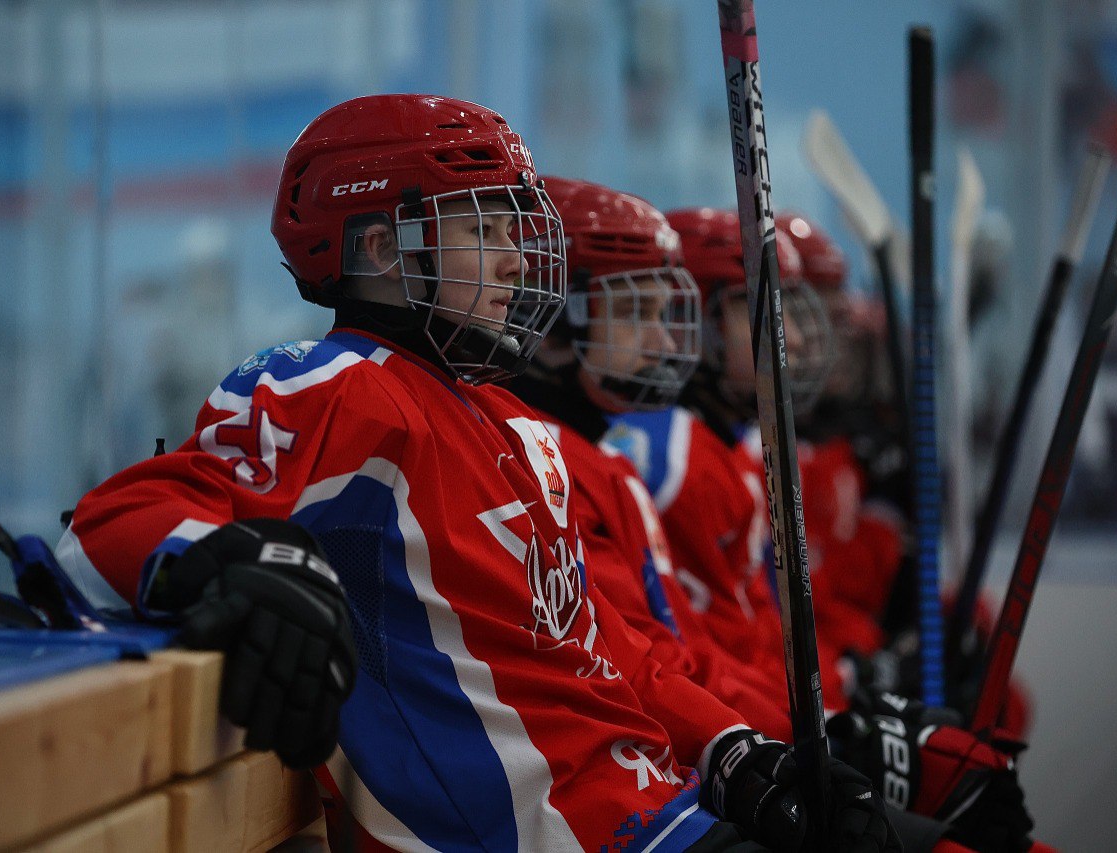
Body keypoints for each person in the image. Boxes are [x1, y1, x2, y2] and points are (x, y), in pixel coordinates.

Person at [57, 93, 776, 852]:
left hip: (659, 810)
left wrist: (731, 744)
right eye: (479, 228)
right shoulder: (340, 388)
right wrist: (229, 560)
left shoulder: (511, 421)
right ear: (378, 249)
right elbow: (109, 525)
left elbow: (600, 643)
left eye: (513, 229)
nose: (514, 259)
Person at [606, 208, 1044, 852]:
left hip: (750, 719)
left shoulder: (731, 452)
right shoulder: (658, 454)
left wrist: (854, 684)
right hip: (707, 747)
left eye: (815, 317)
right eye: (780, 314)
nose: (806, 343)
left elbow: (752, 630)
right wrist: (842, 699)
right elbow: (681, 655)